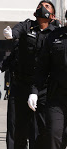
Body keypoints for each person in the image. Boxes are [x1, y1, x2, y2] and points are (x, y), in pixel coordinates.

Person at [0, 0, 57, 149]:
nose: (42, 8)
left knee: (39, 130)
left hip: (43, 88)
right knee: (16, 128)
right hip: (20, 85)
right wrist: (10, 34)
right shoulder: (26, 26)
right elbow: (16, 37)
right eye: (40, 6)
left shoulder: (55, 34)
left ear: (52, 16)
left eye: (47, 7)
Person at [29, 11, 67, 149]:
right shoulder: (54, 36)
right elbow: (42, 68)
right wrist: (34, 91)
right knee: (54, 135)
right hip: (57, 97)